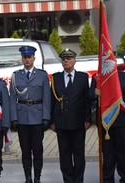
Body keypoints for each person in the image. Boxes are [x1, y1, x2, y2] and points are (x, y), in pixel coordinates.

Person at [10, 46, 51, 183]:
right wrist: (14, 118)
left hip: (37, 117)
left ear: (34, 58)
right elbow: (12, 99)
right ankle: (28, 177)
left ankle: (37, 177)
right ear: (22, 59)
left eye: (29, 57)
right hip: (22, 118)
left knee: (38, 151)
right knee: (25, 151)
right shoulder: (16, 76)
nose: (27, 60)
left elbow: (46, 97)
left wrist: (46, 117)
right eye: (25, 57)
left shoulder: (42, 75)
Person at [50, 48, 91, 183]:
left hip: (78, 122)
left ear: (74, 60)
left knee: (79, 155)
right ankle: (68, 180)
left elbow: (86, 100)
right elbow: (52, 100)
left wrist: (88, 118)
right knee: (65, 156)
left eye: (69, 58)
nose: (66, 61)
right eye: (63, 59)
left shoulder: (83, 77)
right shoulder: (55, 78)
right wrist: (52, 120)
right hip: (61, 123)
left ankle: (78, 180)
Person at [89, 71, 125, 183]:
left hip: (121, 119)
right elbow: (89, 96)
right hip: (105, 121)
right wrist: (95, 93)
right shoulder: (97, 77)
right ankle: (107, 178)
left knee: (121, 151)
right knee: (107, 152)